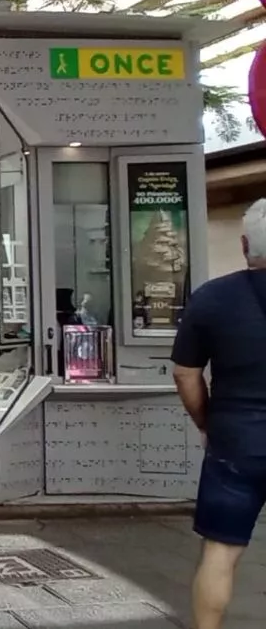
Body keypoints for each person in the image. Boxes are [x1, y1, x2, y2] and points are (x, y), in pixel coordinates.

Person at [172, 198, 266, 629]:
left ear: (246, 244)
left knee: (221, 551)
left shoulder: (212, 297)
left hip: (235, 438)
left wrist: (206, 421)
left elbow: (185, 374)